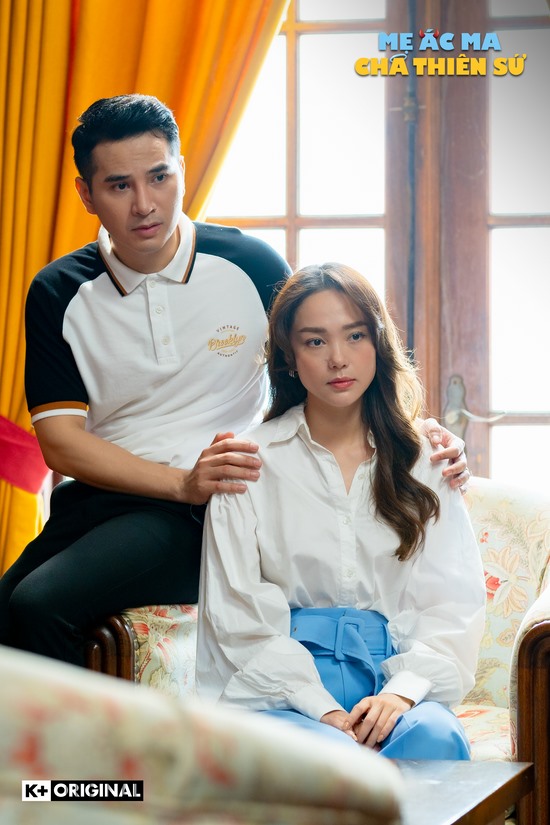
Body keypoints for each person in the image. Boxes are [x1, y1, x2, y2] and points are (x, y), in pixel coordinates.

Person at [0, 95, 468, 668]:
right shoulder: (58, 290)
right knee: (5, 613)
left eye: (159, 177)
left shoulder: (251, 265)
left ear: (181, 170)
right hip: (102, 501)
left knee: (38, 607)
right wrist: (180, 481)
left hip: (215, 508)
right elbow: (61, 444)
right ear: (86, 194)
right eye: (119, 186)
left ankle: (86, 734)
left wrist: (417, 434)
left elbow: (328, 358)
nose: (144, 204)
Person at [196, 263, 486, 760]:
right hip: (284, 687)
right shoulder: (248, 462)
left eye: (355, 336)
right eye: (315, 341)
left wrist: (400, 694)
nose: (338, 359)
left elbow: (452, 602)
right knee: (323, 757)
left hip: (394, 676)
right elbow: (235, 612)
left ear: (378, 343)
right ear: (289, 357)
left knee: (434, 739)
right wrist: (320, 707)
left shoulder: (427, 459)